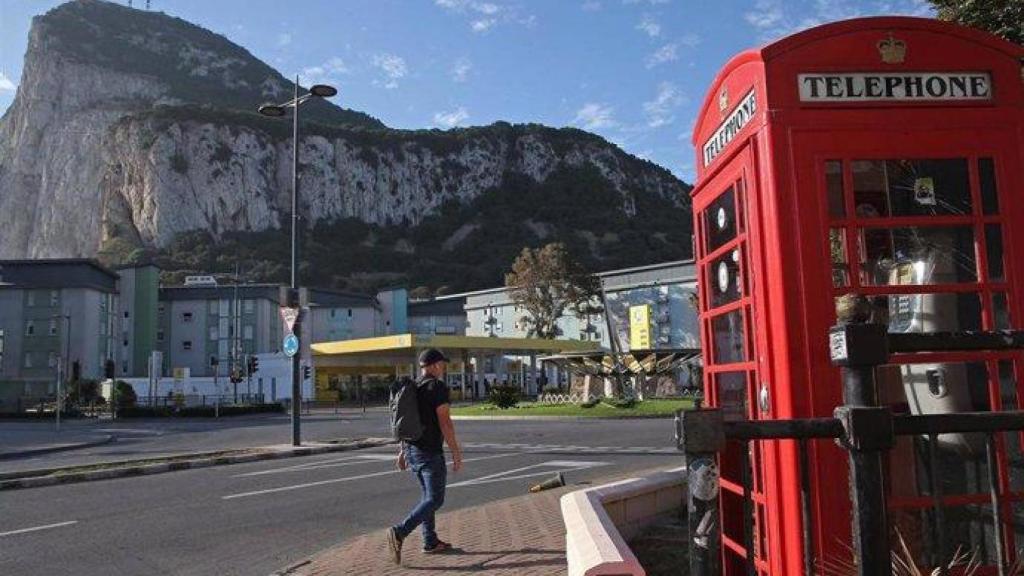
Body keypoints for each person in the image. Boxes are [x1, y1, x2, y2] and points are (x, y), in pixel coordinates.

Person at [387, 348, 464, 565]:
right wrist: (456, 452)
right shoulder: (436, 387)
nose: (444, 367)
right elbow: (445, 422)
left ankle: (430, 541)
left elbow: (407, 420)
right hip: (429, 452)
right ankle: (400, 532)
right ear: (432, 365)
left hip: (413, 451)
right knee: (435, 499)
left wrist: (403, 451)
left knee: (427, 497)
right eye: (441, 363)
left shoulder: (414, 387)